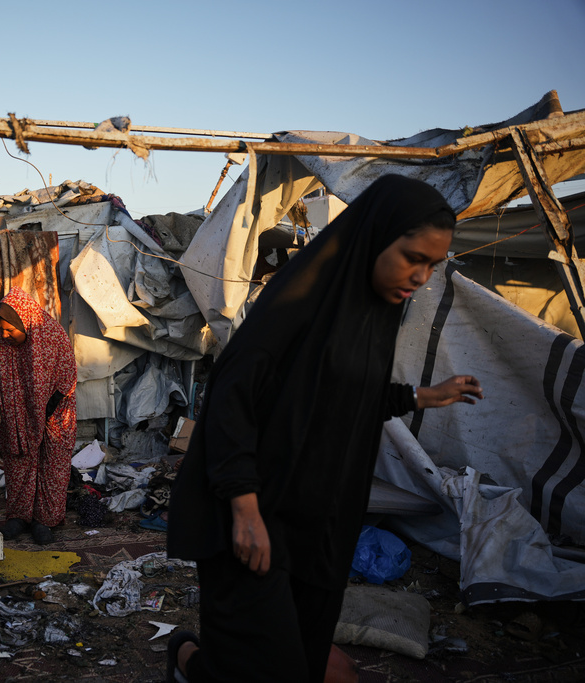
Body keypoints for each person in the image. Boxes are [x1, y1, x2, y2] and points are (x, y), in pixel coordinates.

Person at [166, 175, 484, 682]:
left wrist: (425, 396)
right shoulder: (303, 300)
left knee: (298, 664)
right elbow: (232, 396)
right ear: (376, 236)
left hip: (317, 525)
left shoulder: (372, 314)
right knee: (271, 667)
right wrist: (244, 508)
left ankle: (188, 661)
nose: (422, 275)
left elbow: (348, 397)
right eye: (413, 257)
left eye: (433, 265)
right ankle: (187, 655)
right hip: (256, 515)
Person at [0, 287, 77, 545]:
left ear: (24, 321)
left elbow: (66, 380)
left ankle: (44, 520)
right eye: (2, 329)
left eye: (10, 330)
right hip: (19, 413)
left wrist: (41, 417)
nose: (5, 335)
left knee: (52, 466)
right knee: (19, 461)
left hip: (56, 411)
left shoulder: (52, 335)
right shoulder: (1, 342)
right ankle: (19, 516)